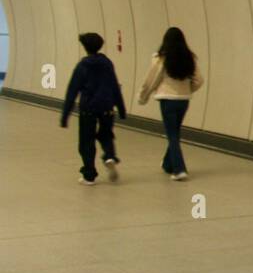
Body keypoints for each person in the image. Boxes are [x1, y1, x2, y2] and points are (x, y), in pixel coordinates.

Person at [60, 32, 127, 186]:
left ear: (85, 47)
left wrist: (65, 116)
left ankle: (89, 175)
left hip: (88, 108)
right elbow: (114, 87)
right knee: (106, 134)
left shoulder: (82, 65)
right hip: (106, 107)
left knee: (86, 141)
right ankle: (109, 156)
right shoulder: (108, 64)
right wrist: (121, 109)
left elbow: (72, 91)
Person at [138, 27, 203, 181]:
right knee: (174, 132)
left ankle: (179, 169)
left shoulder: (161, 58)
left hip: (167, 100)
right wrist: (188, 90)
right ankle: (168, 164)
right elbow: (199, 80)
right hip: (183, 101)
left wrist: (143, 96)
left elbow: (152, 79)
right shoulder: (190, 58)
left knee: (172, 135)